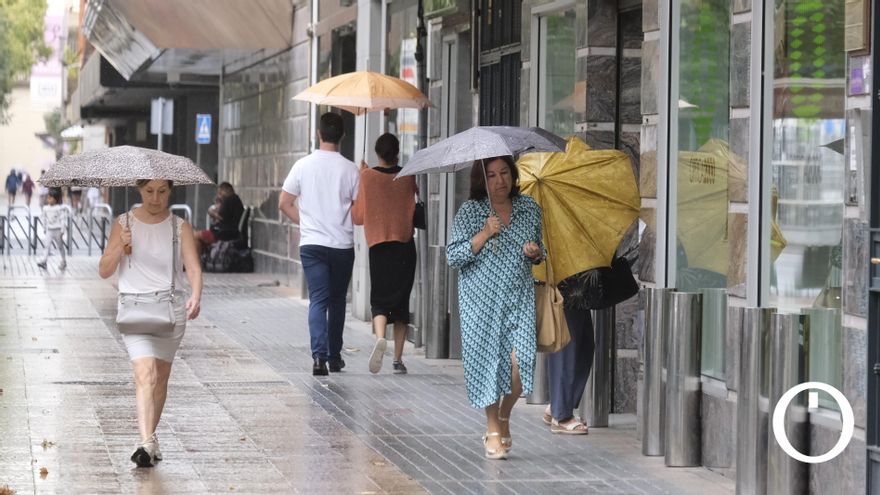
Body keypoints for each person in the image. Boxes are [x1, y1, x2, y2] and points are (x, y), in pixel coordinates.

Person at [98, 179, 203, 468]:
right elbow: (104, 270)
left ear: (170, 191)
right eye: (149, 191)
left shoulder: (179, 227)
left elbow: (193, 268)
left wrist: (196, 295)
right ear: (139, 190)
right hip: (134, 310)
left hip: (170, 311)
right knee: (145, 373)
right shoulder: (124, 223)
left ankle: (150, 439)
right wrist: (120, 246)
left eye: (162, 191)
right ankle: (145, 442)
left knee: (160, 377)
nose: (155, 198)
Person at [446, 156, 544, 459]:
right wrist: (485, 233)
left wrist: (535, 253)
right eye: (491, 175)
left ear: (513, 175)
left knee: (522, 360)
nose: (500, 180)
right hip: (481, 302)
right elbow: (453, 256)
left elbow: (539, 250)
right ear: (482, 180)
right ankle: (492, 429)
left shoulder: (529, 208)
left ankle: (504, 415)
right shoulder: (471, 211)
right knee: (487, 362)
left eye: (504, 173)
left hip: (519, 297)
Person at [278, 112, 359, 376]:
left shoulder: (302, 165)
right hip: (342, 245)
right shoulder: (351, 169)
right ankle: (334, 357)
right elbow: (359, 213)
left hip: (312, 245)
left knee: (318, 300)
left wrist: (307, 224)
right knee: (337, 301)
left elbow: (284, 203)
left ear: (318, 134)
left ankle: (318, 357)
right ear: (343, 135)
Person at [352, 133, 417, 375]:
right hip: (404, 247)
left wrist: (363, 175)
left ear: (377, 153)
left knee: (379, 300)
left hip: (379, 247)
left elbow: (358, 217)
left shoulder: (367, 177)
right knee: (401, 304)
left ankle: (380, 337)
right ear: (397, 152)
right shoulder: (408, 175)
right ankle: (398, 360)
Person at [541, 276, 594, 434]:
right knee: (567, 341)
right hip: (567, 279)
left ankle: (558, 406)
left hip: (577, 279)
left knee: (584, 344)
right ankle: (561, 414)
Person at [194, 182, 244, 255]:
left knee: (195, 236)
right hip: (227, 232)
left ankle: (196, 260)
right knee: (199, 241)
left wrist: (212, 213)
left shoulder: (228, 199)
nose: (219, 196)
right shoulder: (235, 200)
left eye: (220, 193)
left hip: (223, 234)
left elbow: (220, 216)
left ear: (227, 190)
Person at [36, 188, 67, 270]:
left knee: (60, 246)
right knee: (47, 246)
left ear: (55, 199)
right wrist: (44, 228)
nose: (48, 199)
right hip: (49, 230)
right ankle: (44, 261)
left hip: (57, 230)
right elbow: (44, 218)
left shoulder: (59, 208)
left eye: (50, 198)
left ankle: (64, 261)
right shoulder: (45, 208)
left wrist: (62, 230)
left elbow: (62, 219)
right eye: (48, 198)